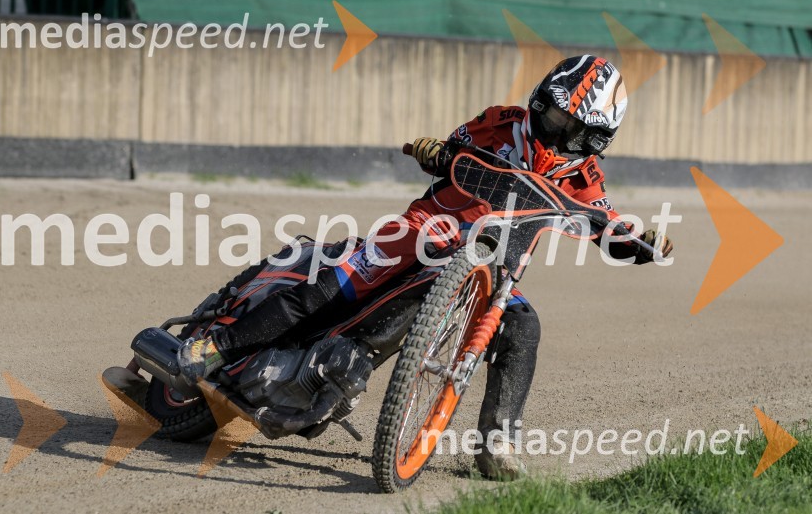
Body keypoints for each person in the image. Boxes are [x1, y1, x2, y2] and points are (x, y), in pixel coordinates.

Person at [177, 55, 674, 480]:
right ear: (540, 99)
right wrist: (437, 151)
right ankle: (214, 347)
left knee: (524, 325)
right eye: (554, 115)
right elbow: (451, 149)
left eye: (572, 128)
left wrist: (642, 242)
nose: (556, 130)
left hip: (492, 266)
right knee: (334, 286)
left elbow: (607, 226)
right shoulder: (502, 120)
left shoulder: (585, 176)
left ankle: (497, 443)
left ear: (595, 139)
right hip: (428, 228)